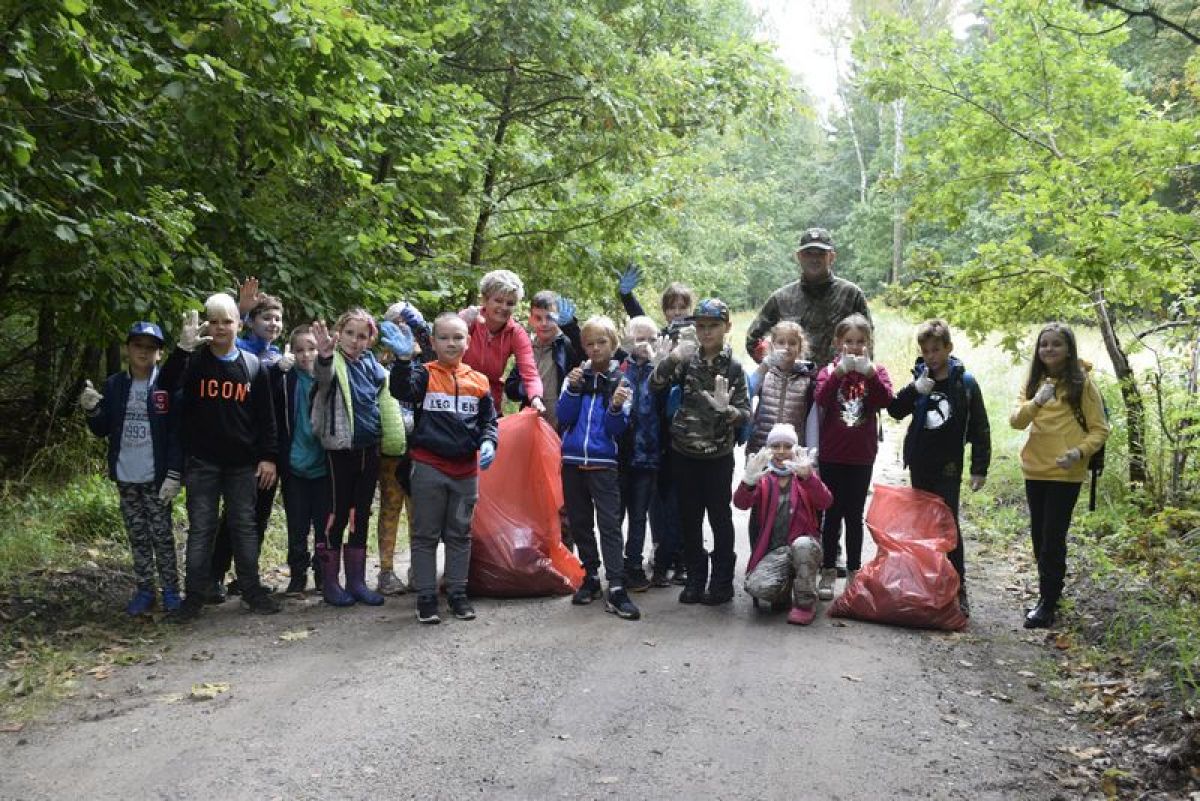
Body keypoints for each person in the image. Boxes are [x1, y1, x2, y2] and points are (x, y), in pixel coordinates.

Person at [160, 294, 280, 622]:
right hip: (202, 462)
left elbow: (266, 419)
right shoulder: (195, 362)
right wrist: (182, 349)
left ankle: (251, 590)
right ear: (206, 326)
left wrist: (268, 457)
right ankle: (194, 598)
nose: (220, 327)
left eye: (227, 321)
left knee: (243, 525)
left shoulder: (254, 367)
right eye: (213, 321)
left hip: (242, 463)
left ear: (239, 325)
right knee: (201, 528)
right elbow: (166, 386)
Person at [385, 313, 498, 625]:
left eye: (458, 337)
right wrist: (404, 360)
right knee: (425, 535)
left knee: (460, 533)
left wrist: (490, 442)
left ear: (468, 341)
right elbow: (401, 391)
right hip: (428, 468)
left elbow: (489, 421)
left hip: (466, 473)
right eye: (444, 337)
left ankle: (458, 595)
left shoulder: (479, 381)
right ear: (432, 342)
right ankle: (426, 597)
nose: (452, 343)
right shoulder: (423, 375)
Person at [650, 298, 752, 606]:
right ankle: (695, 579)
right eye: (701, 326)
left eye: (713, 326)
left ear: (726, 328)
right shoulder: (686, 360)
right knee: (689, 518)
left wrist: (729, 411)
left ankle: (722, 582)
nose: (706, 333)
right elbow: (656, 386)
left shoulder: (734, 367)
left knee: (720, 518)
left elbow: (746, 413)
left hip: (717, 456)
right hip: (684, 452)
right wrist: (670, 359)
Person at [887, 319, 991, 617]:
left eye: (936, 349)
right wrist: (914, 390)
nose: (931, 355)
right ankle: (924, 585)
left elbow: (980, 427)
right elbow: (895, 410)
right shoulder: (921, 378)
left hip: (948, 466)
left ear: (949, 348)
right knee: (922, 526)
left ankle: (958, 589)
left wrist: (978, 468)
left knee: (948, 527)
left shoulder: (964, 383)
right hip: (921, 463)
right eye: (926, 350)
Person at [1009, 322, 1109, 629]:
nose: (1049, 349)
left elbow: (1100, 429)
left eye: (1056, 344)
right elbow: (1015, 421)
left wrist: (1078, 453)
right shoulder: (1034, 382)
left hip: (1066, 472)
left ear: (1069, 350)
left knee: (1053, 537)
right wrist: (1037, 400)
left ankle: (1047, 604)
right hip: (1035, 468)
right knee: (1039, 537)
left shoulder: (1083, 384)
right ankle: (1049, 592)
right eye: (1044, 344)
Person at [80, 322, 183, 615]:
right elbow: (102, 429)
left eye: (151, 347)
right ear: (128, 349)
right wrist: (92, 410)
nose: (143, 352)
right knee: (137, 535)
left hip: (157, 477)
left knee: (162, 536)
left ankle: (172, 591)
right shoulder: (115, 385)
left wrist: (175, 473)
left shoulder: (166, 385)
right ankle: (145, 591)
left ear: (160, 354)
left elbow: (176, 433)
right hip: (126, 476)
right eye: (138, 345)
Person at [615, 265, 695, 586]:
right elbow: (638, 329)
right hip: (649, 438)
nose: (676, 312)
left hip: (680, 435)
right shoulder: (656, 339)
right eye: (671, 307)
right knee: (653, 504)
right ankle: (660, 554)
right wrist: (626, 295)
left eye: (682, 306)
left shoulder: (694, 335)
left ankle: (680, 555)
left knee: (677, 499)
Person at [559, 315, 639, 620]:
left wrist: (617, 405)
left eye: (601, 342)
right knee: (579, 522)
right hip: (572, 460)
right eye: (589, 343)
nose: (595, 348)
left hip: (604, 463)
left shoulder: (623, 380)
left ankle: (616, 586)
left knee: (609, 524)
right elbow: (564, 416)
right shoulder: (576, 375)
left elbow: (616, 428)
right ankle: (590, 576)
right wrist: (573, 389)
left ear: (613, 344)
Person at [310, 309, 389, 608]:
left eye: (363, 336)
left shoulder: (371, 365)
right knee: (336, 514)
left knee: (360, 514)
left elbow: (387, 392)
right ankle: (330, 582)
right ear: (338, 333)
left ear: (370, 340)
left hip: (369, 449)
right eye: (350, 334)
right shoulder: (333, 362)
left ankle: (357, 581)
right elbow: (322, 377)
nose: (356, 341)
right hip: (339, 451)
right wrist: (325, 355)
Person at [812, 314, 894, 601]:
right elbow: (820, 399)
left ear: (868, 343)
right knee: (831, 515)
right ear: (838, 343)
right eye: (849, 341)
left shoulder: (877, 372)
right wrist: (838, 374)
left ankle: (854, 573)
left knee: (853, 516)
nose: (855, 347)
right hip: (832, 455)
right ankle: (827, 570)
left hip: (861, 457)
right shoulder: (829, 370)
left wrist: (870, 375)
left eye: (860, 342)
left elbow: (886, 401)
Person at [210, 290, 285, 601]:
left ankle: (246, 577)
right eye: (265, 317)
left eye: (278, 318)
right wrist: (240, 308)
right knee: (235, 517)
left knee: (260, 515)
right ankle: (214, 575)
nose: (272, 323)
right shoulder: (241, 350)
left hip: (274, 447)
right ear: (250, 323)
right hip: (245, 449)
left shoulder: (280, 352)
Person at [734, 424, 833, 625]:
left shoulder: (803, 474)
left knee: (802, 546)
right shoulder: (764, 477)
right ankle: (785, 587)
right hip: (774, 552)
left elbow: (825, 502)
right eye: (775, 446)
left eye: (787, 446)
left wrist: (809, 477)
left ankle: (805, 603)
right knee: (759, 588)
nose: (781, 451)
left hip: (804, 546)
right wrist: (748, 482)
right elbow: (741, 504)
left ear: (795, 449)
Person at [745, 227, 871, 369]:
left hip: (838, 383)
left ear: (832, 257)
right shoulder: (781, 298)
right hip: (793, 386)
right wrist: (775, 366)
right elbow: (753, 340)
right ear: (799, 257)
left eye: (821, 254)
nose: (814, 259)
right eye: (808, 254)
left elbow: (868, 342)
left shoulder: (851, 294)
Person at [270, 325, 330, 597]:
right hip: (294, 466)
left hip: (324, 466)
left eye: (311, 348)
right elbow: (264, 396)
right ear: (291, 352)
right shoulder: (284, 379)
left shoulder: (328, 378)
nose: (306, 355)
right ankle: (297, 575)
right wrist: (276, 369)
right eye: (299, 350)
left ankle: (322, 574)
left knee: (323, 526)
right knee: (296, 524)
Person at [374, 302, 423, 596]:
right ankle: (386, 570)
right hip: (390, 450)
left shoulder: (426, 361)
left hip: (420, 448)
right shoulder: (379, 364)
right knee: (390, 507)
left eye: (407, 323)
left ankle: (419, 567)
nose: (401, 328)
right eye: (395, 323)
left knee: (419, 512)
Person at [617, 316, 668, 590]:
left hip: (647, 455)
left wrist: (662, 368)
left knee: (639, 516)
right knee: (616, 515)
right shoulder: (618, 367)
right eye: (639, 339)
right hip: (619, 456)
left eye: (650, 339)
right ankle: (615, 566)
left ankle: (633, 564)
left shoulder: (657, 372)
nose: (645, 345)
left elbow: (665, 405)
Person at [460, 269, 545, 415]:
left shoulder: (516, 333)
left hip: (489, 404)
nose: (504, 307)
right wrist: (461, 322)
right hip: (458, 396)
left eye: (510, 303)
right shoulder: (469, 319)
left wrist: (536, 398)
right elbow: (443, 351)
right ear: (485, 300)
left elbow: (529, 372)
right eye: (498, 300)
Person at [504, 290, 582, 431]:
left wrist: (570, 326)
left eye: (550, 318)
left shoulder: (567, 345)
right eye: (538, 318)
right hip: (531, 427)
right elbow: (510, 388)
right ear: (531, 319)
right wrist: (527, 388)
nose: (544, 323)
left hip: (561, 428)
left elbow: (585, 354)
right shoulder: (527, 348)